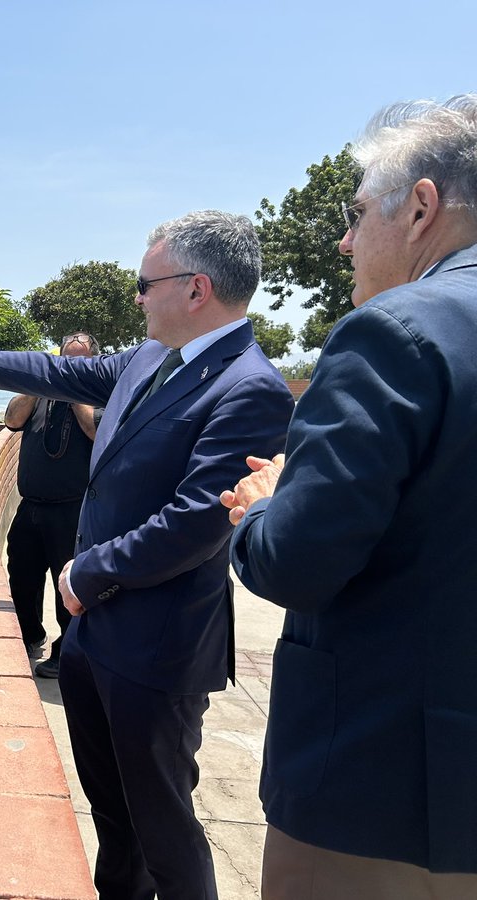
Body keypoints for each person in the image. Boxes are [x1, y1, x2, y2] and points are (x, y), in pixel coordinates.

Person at [0, 210, 294, 900]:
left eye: (146, 282)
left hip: (157, 652)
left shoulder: (249, 387)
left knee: (163, 829)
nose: (136, 296)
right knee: (115, 823)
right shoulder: (146, 360)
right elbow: (52, 369)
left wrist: (85, 573)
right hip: (93, 638)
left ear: (196, 289)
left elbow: (198, 521)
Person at [221, 95, 477, 899]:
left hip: (386, 796)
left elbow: (295, 562)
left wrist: (265, 500)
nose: (344, 239)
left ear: (422, 207)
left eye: (359, 212)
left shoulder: (396, 331)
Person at [3, 331, 100, 679]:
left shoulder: (100, 394)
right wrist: (38, 383)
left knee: (68, 585)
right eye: (65, 359)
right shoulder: (42, 392)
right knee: (22, 578)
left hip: (71, 510)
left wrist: (74, 389)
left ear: (93, 362)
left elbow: (94, 431)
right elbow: (12, 420)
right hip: (31, 506)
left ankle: (67, 653)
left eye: (79, 360)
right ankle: (29, 637)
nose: (70, 365)